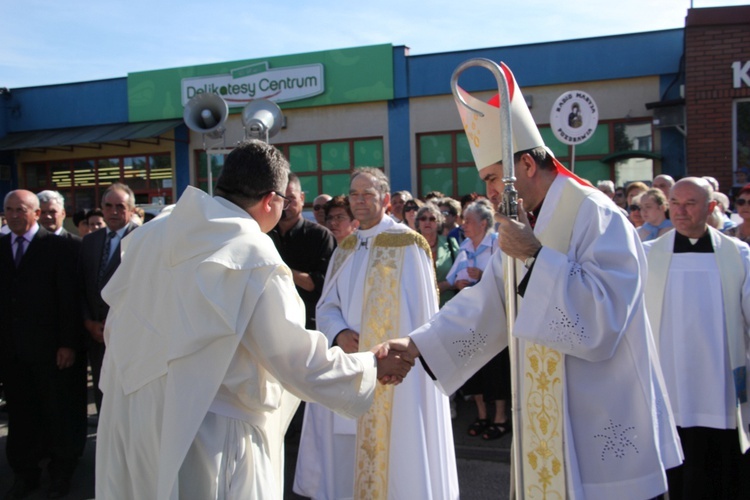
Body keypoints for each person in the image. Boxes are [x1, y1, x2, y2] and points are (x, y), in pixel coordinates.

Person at [390, 62, 682, 499]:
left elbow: (604, 318)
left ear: (525, 164)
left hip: (600, 413)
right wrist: (416, 344)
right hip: (548, 422)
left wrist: (536, 255)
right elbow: (488, 302)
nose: (488, 192)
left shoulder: (598, 215)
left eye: (491, 178)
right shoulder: (522, 223)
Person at [94, 140, 412, 500]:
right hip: (207, 433)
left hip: (134, 417)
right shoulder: (251, 252)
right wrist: (370, 363)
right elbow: (294, 358)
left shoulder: (154, 232)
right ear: (270, 201)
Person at [294, 168, 459, 500]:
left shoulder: (408, 245)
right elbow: (327, 306)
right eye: (354, 194)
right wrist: (338, 332)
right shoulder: (346, 247)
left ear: (385, 199)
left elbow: (424, 316)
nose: (359, 200)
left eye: (367, 194)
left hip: (394, 376)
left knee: (397, 452)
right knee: (345, 451)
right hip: (349, 365)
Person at [643, 177, 750, 499]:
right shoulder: (648, 255)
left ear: (711, 207)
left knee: (717, 474)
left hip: (720, 386)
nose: (681, 210)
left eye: (690, 203)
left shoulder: (739, 255)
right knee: (674, 476)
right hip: (669, 384)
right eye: (675, 202)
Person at [0, 190, 87, 499]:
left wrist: (68, 343)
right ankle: (25, 474)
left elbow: (68, 300)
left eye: (19, 210)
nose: (12, 215)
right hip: (13, 353)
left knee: (58, 414)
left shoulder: (60, 247)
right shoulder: (2, 246)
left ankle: (61, 474)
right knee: (22, 417)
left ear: (36, 213)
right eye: (8, 210)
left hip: (52, 352)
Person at [78, 183, 138, 413]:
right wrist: (88, 322)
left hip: (127, 336)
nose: (114, 211)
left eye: (120, 206)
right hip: (96, 335)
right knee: (103, 398)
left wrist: (115, 326)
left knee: (125, 400)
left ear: (131, 210)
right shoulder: (90, 242)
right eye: (108, 206)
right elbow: (82, 286)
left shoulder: (142, 240)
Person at [268, 172, 335, 330]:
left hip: (309, 325)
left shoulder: (321, 236)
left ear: (302, 198)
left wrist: (278, 269)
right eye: (280, 198)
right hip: (270, 323)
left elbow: (319, 283)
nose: (286, 204)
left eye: (290, 198)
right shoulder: (264, 234)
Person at [415, 202, 459, 307]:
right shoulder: (412, 246)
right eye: (423, 218)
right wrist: (446, 284)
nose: (427, 222)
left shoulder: (450, 243)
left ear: (439, 222)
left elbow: (459, 273)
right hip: (421, 306)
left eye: (432, 219)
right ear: (418, 223)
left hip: (448, 306)